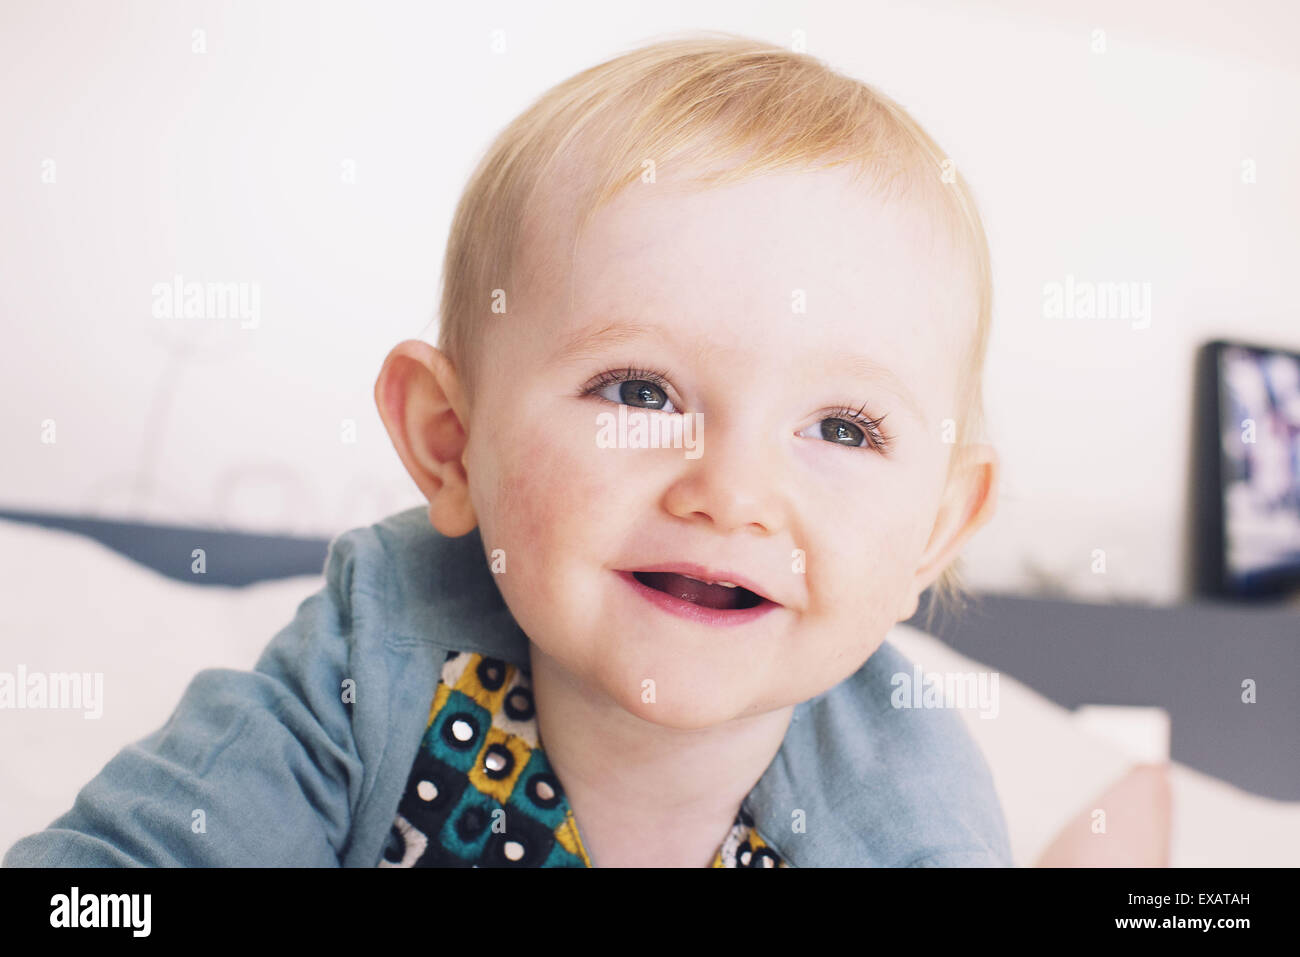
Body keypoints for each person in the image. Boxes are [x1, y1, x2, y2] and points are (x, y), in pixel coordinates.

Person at [5, 31, 1008, 868]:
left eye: (844, 428)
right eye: (639, 392)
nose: (733, 492)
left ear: (934, 531)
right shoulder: (378, 647)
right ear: (449, 443)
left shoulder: (906, 800)